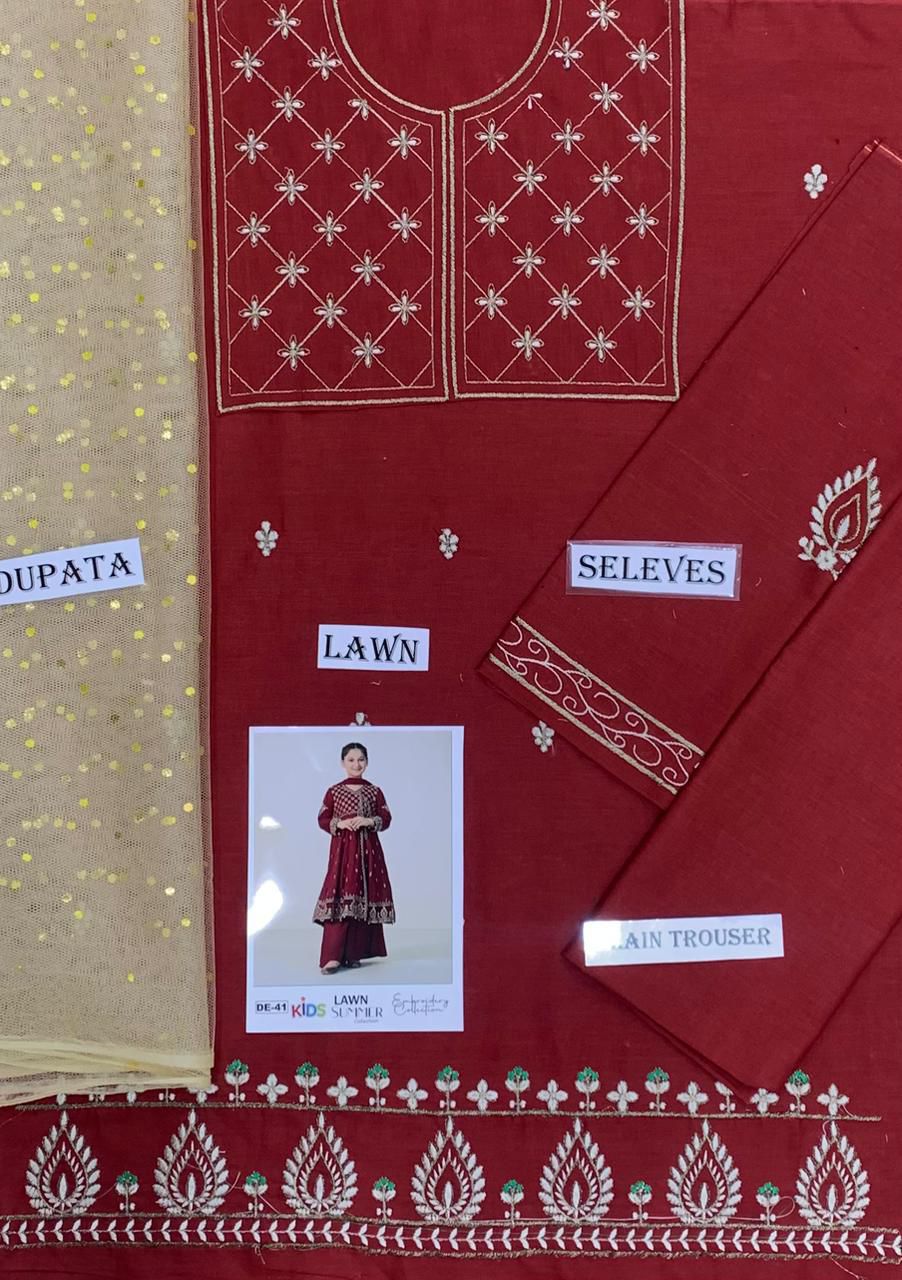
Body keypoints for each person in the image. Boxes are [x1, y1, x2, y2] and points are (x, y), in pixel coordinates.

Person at [313, 742, 395, 974]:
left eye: (361, 760)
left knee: (363, 895)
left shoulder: (374, 791)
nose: (356, 764)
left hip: (369, 851)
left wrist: (368, 821)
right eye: (351, 760)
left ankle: (353, 953)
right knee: (341, 894)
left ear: (367, 762)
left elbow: (386, 817)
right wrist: (340, 823)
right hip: (342, 852)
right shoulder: (334, 791)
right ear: (343, 763)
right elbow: (322, 819)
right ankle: (332, 957)